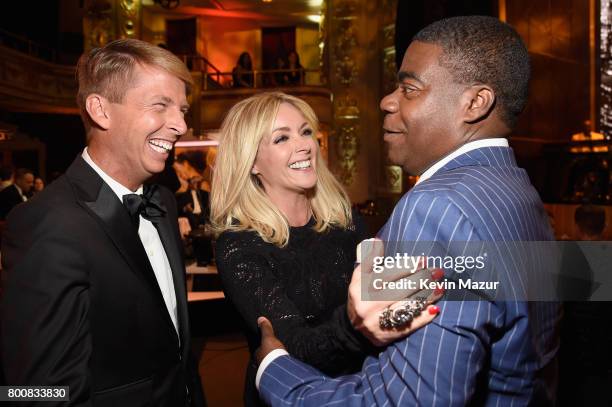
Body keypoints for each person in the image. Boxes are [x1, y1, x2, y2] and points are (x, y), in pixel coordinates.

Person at [256, 16, 561, 406]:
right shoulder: (519, 192)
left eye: (409, 88)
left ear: (474, 103)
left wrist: (276, 371)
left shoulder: (437, 207)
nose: (387, 100)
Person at [1, 39, 205, 406]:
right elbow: (35, 393)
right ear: (100, 110)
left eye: (182, 109)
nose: (181, 125)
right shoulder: (47, 223)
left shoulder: (161, 203)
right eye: (161, 106)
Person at [210, 92, 440, 406]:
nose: (304, 144)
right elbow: (295, 351)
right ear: (251, 163)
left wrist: (434, 277)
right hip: (290, 396)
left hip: (365, 387)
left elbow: (380, 287)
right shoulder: (239, 246)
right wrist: (359, 320)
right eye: (281, 138)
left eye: (306, 132)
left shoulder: (344, 220)